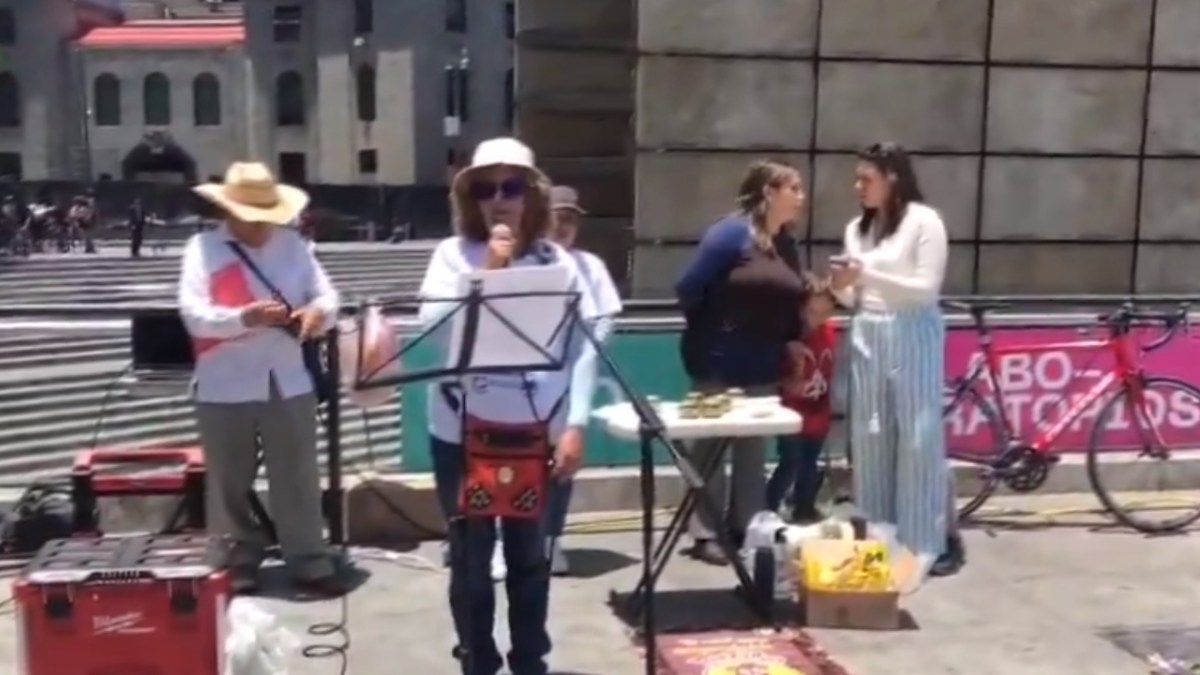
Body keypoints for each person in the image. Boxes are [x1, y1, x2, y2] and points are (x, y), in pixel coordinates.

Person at [417, 137, 601, 675]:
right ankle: (477, 660)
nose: (499, 199)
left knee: (529, 561)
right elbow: (433, 332)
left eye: (511, 187)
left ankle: (530, 663)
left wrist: (576, 424)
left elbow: (582, 347)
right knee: (471, 565)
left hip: (534, 435)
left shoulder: (557, 261)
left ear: (532, 196)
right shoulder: (452, 256)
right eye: (486, 188)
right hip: (461, 435)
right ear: (470, 198)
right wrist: (491, 271)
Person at [177, 161, 345, 596]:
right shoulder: (202, 248)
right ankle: (238, 557)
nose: (260, 226)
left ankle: (308, 556)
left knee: (298, 474)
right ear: (229, 212)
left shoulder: (294, 245)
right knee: (228, 478)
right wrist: (243, 318)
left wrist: (316, 313)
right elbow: (193, 315)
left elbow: (327, 296)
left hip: (287, 376)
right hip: (223, 378)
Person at [828, 141, 963, 580]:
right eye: (857, 179)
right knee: (871, 436)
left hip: (913, 330)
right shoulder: (857, 229)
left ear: (892, 177)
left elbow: (924, 288)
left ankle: (927, 541)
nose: (858, 187)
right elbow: (851, 298)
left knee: (918, 437)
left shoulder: (925, 222)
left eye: (866, 179)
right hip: (870, 327)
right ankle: (879, 536)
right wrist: (841, 284)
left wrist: (865, 274)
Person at [674, 159, 807, 566]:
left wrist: (791, 341)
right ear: (769, 192)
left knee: (753, 450)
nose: (802, 197)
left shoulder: (786, 243)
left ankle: (747, 526)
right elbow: (688, 288)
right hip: (718, 358)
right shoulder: (729, 234)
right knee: (710, 449)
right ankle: (706, 532)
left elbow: (792, 299)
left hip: (764, 362)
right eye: (794, 189)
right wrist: (718, 324)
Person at [767, 272, 837, 523]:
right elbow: (779, 375)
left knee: (810, 461)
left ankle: (804, 505)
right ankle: (769, 507)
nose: (818, 319)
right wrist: (788, 384)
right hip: (793, 412)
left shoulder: (829, 332)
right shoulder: (792, 338)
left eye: (825, 312)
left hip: (818, 409)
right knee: (791, 462)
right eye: (812, 312)